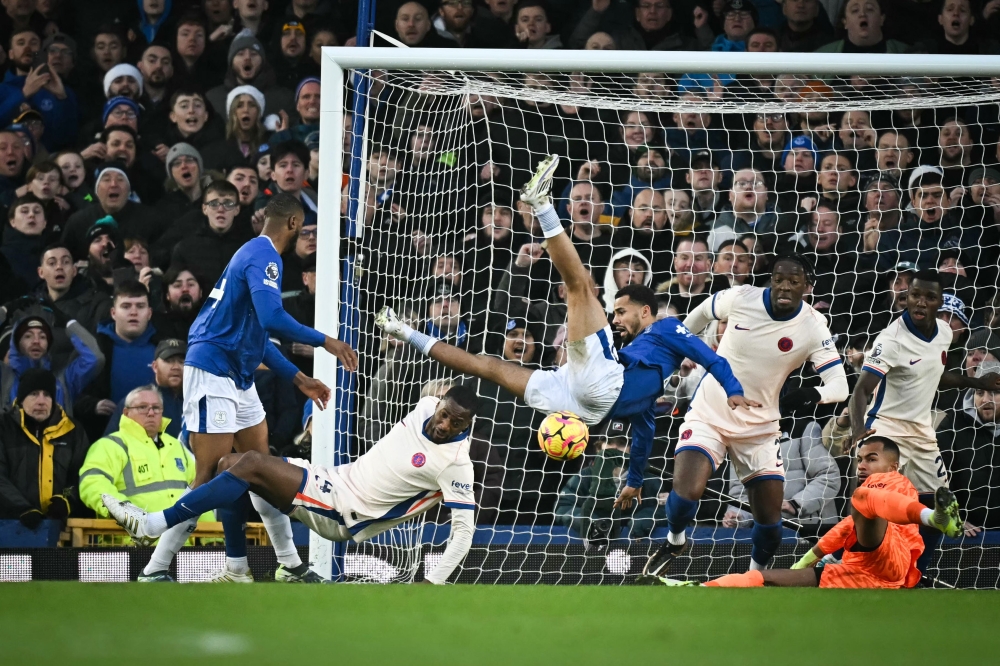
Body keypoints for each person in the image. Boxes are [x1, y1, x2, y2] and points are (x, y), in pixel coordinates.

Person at [378, 155, 755, 504]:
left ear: (646, 311)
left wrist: (734, 389)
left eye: (622, 312)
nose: (616, 318)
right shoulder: (643, 389)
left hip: (596, 387)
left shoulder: (667, 328)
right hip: (579, 399)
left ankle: (541, 203)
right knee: (484, 365)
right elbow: (643, 437)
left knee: (579, 287)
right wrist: (635, 481)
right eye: (615, 312)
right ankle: (403, 330)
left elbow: (708, 355)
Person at [103, 385, 479, 585]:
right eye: (445, 414)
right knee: (229, 463)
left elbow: (463, 532)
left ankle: (153, 524)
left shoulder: (456, 465)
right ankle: (244, 569)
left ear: (467, 427)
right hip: (335, 480)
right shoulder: (427, 405)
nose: (444, 425)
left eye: (456, 423)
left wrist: (431, 582)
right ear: (439, 403)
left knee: (249, 463)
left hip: (345, 513)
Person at [182, 192, 357, 582]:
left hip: (237, 372)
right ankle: (157, 560)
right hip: (213, 368)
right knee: (208, 476)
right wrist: (326, 340)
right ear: (294, 223)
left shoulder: (251, 255)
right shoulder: (264, 257)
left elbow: (258, 336)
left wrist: (299, 378)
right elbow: (272, 317)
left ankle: (285, 566)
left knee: (260, 472)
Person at [642, 254, 850, 578]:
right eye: (779, 278)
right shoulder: (740, 297)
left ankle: (753, 577)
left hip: (761, 428)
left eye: (793, 282)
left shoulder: (812, 326)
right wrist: (676, 351)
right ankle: (675, 540)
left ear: (806, 287)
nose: (784, 286)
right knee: (685, 493)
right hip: (711, 411)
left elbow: (840, 385)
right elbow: (692, 321)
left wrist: (810, 395)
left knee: (770, 525)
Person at [848, 269, 1000, 575]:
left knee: (941, 507)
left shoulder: (944, 333)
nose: (919, 302)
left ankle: (915, 573)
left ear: (939, 302)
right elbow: (860, 392)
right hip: (886, 425)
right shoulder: (891, 340)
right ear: (907, 297)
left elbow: (936, 377)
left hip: (921, 432)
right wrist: (858, 434)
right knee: (870, 496)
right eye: (914, 295)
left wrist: (976, 382)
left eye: (929, 297)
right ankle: (854, 562)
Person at [659, 438, 963, 588]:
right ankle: (700, 587)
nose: (862, 466)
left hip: (892, 560)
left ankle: (934, 518)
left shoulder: (895, 482)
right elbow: (844, 529)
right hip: (864, 576)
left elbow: (874, 504)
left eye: (871, 458)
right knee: (762, 579)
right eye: (859, 460)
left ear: (893, 466)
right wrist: (808, 560)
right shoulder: (864, 499)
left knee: (864, 496)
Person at [79, 384, 196, 583]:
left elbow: (199, 489)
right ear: (126, 412)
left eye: (156, 408)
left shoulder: (178, 447)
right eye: (142, 407)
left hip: (188, 549)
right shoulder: (111, 445)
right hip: (131, 547)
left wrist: (212, 537)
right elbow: (92, 483)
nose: (151, 413)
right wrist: (127, 513)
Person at [0, 368, 91, 525]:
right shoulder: (3, 427)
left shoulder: (72, 430)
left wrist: (66, 498)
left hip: (58, 528)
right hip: (9, 526)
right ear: (21, 398)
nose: (41, 401)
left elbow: (81, 474)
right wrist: (21, 508)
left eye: (47, 395)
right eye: (34, 394)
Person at [102, 339, 186, 440]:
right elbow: (110, 443)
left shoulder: (198, 400)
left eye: (182, 362)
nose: (176, 367)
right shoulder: (136, 401)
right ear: (155, 366)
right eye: (168, 361)